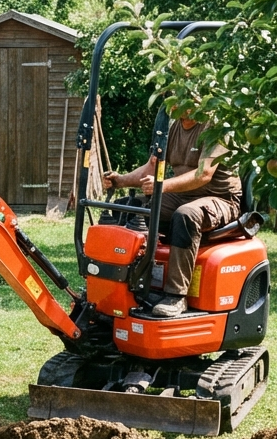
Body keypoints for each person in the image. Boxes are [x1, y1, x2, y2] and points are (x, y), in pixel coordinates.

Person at [103, 109, 241, 318]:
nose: (174, 103)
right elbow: (151, 168)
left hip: (221, 198)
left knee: (186, 215)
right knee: (131, 206)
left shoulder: (215, 126)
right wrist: (119, 180)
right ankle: (127, 282)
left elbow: (204, 174)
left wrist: (162, 185)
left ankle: (176, 296)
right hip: (182, 195)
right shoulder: (173, 128)